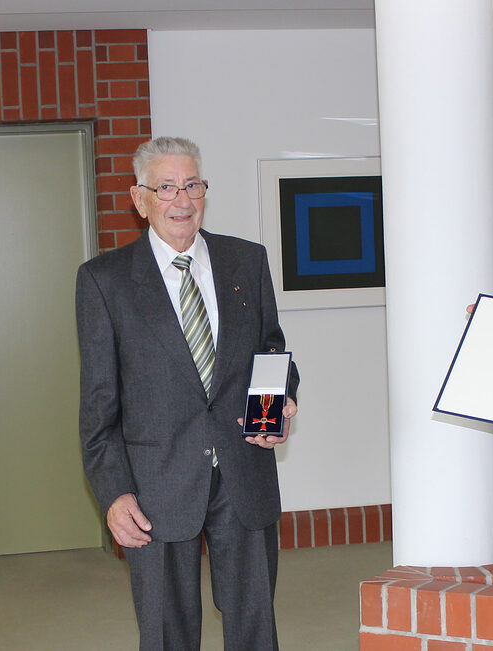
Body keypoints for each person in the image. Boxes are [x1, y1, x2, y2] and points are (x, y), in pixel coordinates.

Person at [75, 136, 299, 650]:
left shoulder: (247, 262)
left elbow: (273, 352)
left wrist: (283, 400)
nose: (182, 200)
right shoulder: (104, 282)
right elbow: (98, 406)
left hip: (245, 472)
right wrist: (113, 493)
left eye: (192, 185)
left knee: (255, 628)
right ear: (140, 199)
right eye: (167, 187)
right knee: (167, 634)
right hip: (155, 487)